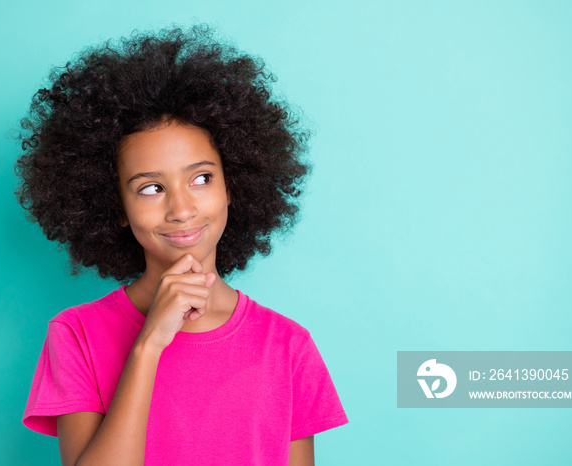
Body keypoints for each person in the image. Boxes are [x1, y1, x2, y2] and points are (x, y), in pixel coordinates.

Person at [17, 25, 348, 466]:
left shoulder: (287, 346)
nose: (181, 208)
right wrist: (149, 343)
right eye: (151, 188)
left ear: (234, 185)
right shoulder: (75, 335)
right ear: (115, 206)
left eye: (201, 178)